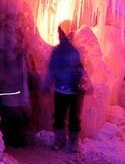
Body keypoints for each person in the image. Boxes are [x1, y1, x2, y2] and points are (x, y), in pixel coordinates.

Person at [43, 20, 85, 152]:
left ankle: (61, 140)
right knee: (71, 117)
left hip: (63, 90)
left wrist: (47, 85)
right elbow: (80, 70)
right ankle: (72, 142)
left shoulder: (61, 52)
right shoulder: (72, 51)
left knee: (61, 117)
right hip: (71, 90)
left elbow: (52, 70)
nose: (59, 36)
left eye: (60, 33)